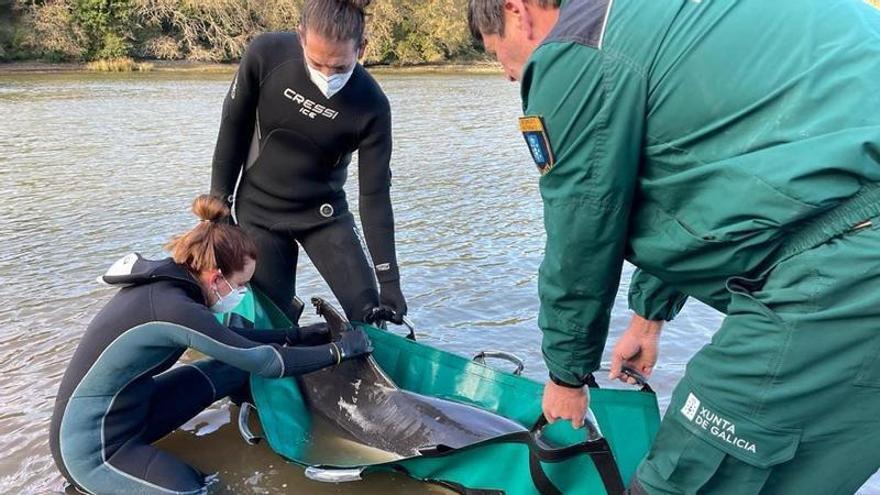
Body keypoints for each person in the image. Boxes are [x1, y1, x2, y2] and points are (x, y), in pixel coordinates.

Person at [467, 0, 880, 493]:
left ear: (518, 12)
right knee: (804, 476)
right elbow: (706, 179)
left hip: (846, 259)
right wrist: (648, 316)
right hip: (847, 237)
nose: (511, 76)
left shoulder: (576, 49)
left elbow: (581, 232)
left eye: (498, 56)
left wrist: (566, 376)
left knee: (675, 478)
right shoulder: (666, 18)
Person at [49, 195, 373, 495]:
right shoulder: (173, 308)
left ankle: (258, 413)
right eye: (241, 284)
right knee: (196, 488)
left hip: (135, 409)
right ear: (216, 277)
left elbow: (234, 345)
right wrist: (340, 352)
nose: (243, 293)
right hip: (92, 449)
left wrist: (301, 335)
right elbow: (264, 362)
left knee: (230, 370)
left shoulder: (180, 281)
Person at [210, 0, 407, 326]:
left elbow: (374, 196)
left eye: (341, 67)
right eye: (317, 63)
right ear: (301, 37)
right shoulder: (266, 55)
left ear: (362, 49)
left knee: (370, 317)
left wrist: (390, 282)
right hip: (260, 215)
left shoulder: (372, 106)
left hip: (325, 217)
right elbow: (233, 126)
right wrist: (220, 201)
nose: (327, 76)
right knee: (273, 320)